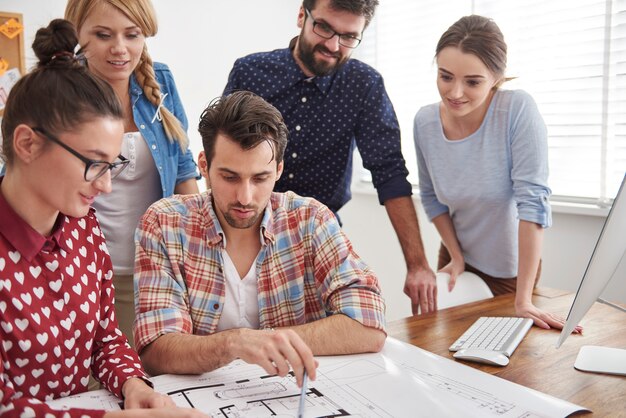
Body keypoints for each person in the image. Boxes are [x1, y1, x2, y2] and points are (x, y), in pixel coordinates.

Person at [0, 19, 207, 417]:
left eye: (114, 165)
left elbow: (105, 339)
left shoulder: (83, 227)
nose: (106, 187)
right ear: (27, 143)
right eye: (94, 164)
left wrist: (133, 384)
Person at [133, 91, 386, 385]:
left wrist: (268, 341)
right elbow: (154, 350)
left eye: (260, 178)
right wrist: (235, 343)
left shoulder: (311, 220)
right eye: (229, 177)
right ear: (203, 165)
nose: (245, 197)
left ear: (279, 169)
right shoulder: (164, 223)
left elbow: (369, 324)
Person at [223, 0, 436, 315]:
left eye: (349, 36)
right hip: (245, 230)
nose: (333, 45)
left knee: (337, 333)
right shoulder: (251, 72)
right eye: (323, 27)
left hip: (319, 238)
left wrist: (417, 265)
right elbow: (223, 157)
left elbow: (390, 174)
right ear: (301, 16)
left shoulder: (364, 85)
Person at [413, 15, 578, 330]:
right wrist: (456, 256)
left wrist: (524, 298)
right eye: (445, 76)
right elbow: (432, 197)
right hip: (456, 259)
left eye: (473, 82)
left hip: (512, 274)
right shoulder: (424, 122)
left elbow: (533, 204)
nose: (455, 92)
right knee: (445, 357)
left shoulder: (516, 110)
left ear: (497, 78)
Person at [64, 0, 200, 347]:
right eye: (103, 35)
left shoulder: (162, 80)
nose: (120, 49)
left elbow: (183, 166)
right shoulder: (58, 93)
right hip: (81, 275)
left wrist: (204, 248)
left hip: (156, 269)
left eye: (132, 35)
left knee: (155, 377)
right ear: (78, 33)